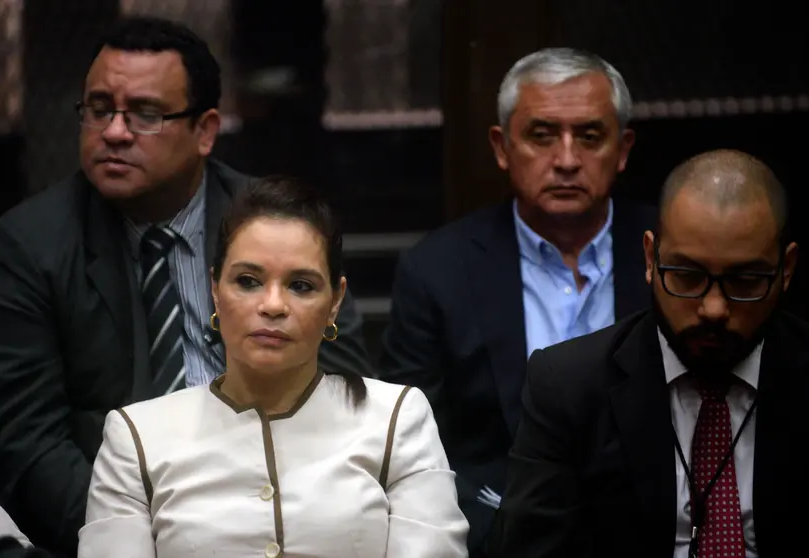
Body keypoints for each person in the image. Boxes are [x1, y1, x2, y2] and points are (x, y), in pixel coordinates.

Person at [0, 16, 370, 556]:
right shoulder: (32, 245)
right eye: (98, 108)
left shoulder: (277, 225)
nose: (114, 131)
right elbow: (25, 441)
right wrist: (141, 540)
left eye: (145, 113)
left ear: (205, 131)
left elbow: (344, 387)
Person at [77, 177, 469, 558]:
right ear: (214, 289)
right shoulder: (137, 438)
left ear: (335, 301)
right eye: (248, 281)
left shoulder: (395, 420)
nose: (273, 305)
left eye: (301, 285)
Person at [377, 47, 654, 554]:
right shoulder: (438, 269)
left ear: (623, 148)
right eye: (542, 135)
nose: (567, 160)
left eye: (590, 137)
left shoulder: (669, 254)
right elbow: (406, 444)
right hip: (497, 532)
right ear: (502, 147)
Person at [491, 149, 805, 557]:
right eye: (687, 277)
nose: (713, 308)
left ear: (786, 270)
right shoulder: (570, 385)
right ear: (650, 259)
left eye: (745, 281)